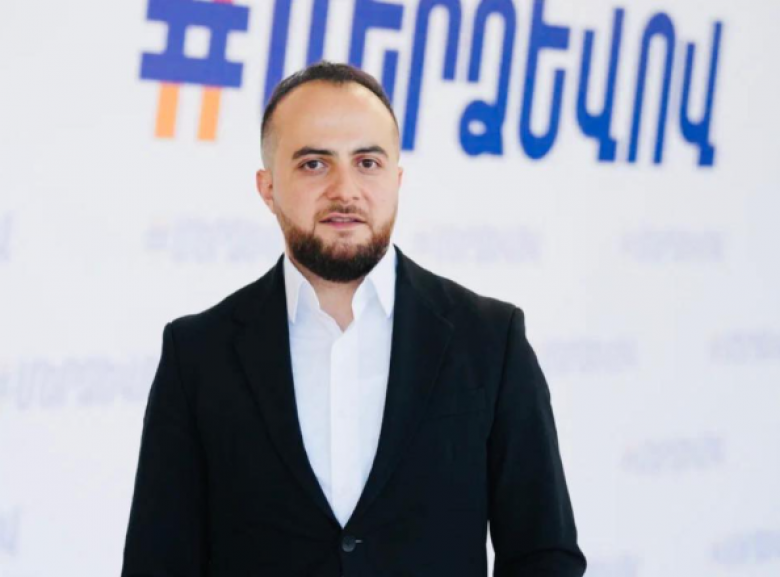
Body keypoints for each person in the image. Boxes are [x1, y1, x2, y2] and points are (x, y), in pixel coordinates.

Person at [121, 60, 586, 577]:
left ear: (396, 179)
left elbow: (544, 554)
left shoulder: (491, 341)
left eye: (367, 162)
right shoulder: (197, 354)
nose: (345, 190)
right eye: (313, 164)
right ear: (267, 188)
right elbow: (156, 562)